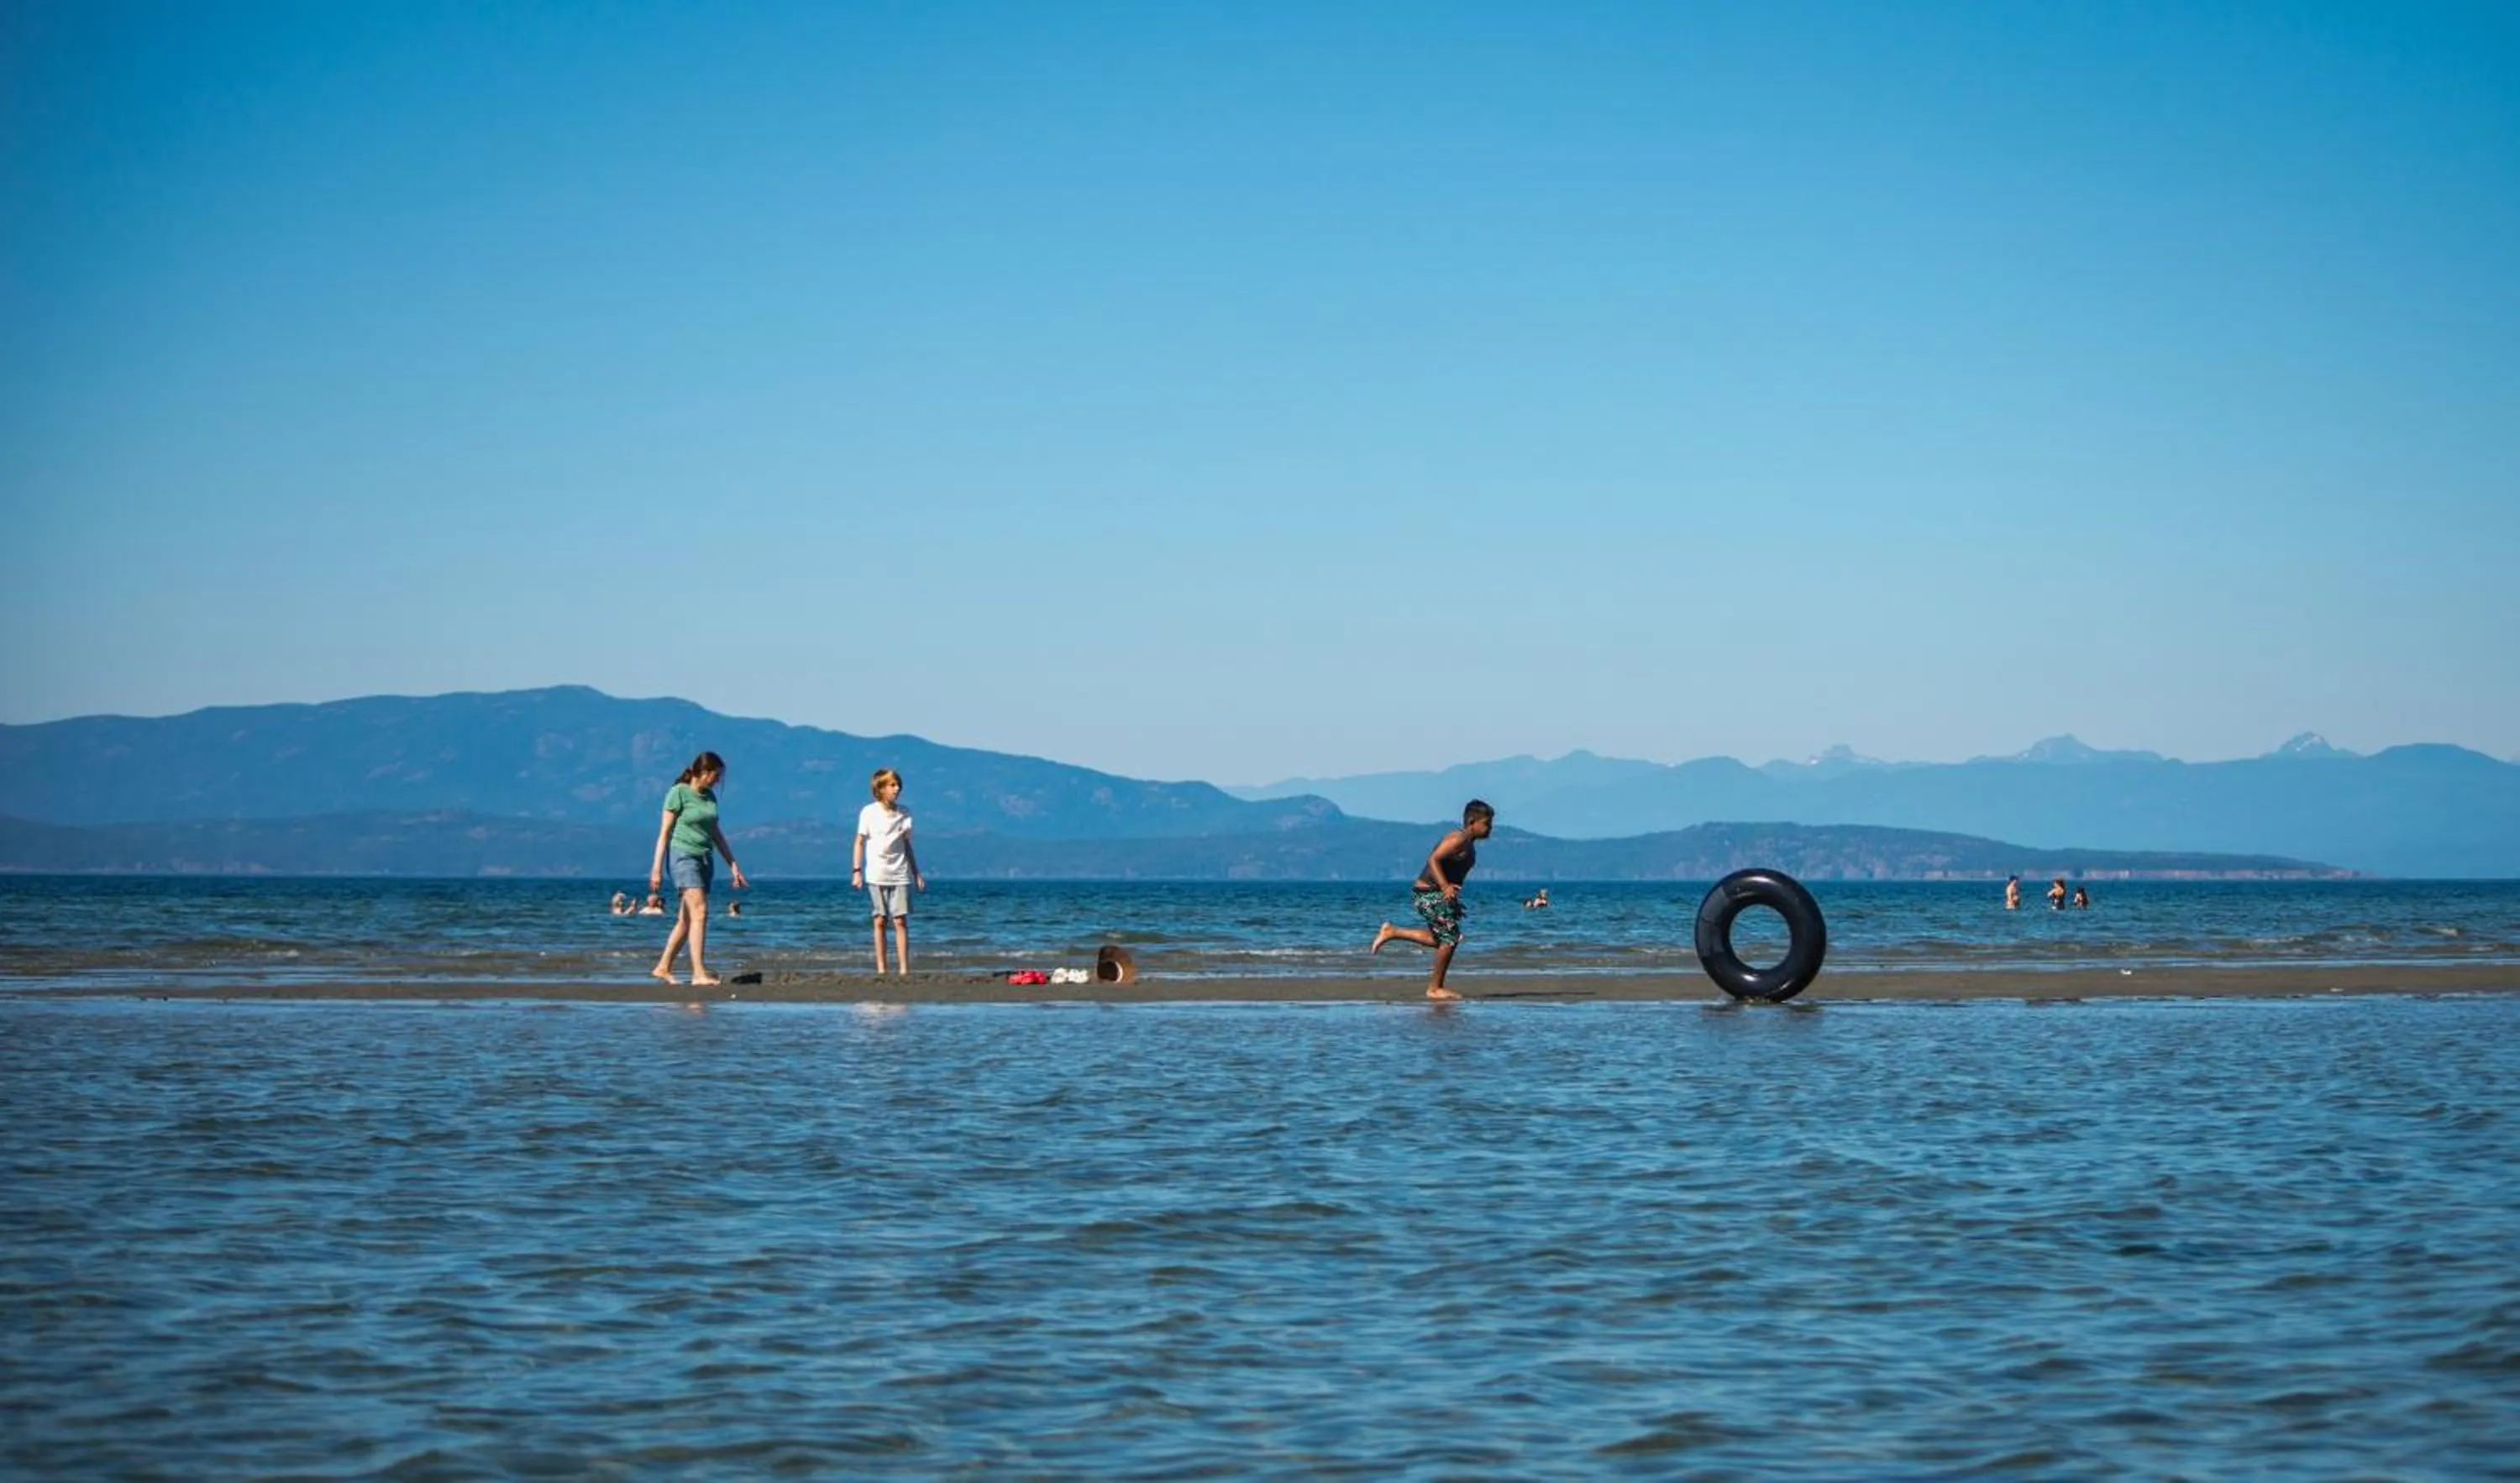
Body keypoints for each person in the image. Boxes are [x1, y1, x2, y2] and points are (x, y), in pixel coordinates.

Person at [1370, 799, 1497, 1001]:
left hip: (1436, 894)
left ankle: (1392, 931)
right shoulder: (1458, 839)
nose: (1491, 828)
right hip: (1426, 893)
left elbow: (1455, 880)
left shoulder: (1470, 847)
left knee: (1440, 939)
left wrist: (1452, 900)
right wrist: (1445, 887)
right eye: (1487, 823)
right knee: (1450, 938)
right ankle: (1435, 988)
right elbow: (1433, 859)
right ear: (1472, 821)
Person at [648, 751, 748, 986]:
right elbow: (664, 833)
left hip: (705, 859)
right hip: (683, 857)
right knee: (701, 911)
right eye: (716, 775)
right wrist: (656, 869)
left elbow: (716, 834)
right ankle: (699, 973)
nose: (718, 780)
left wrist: (733, 865)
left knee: (686, 919)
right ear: (704, 772)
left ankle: (663, 967)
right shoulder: (678, 793)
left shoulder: (710, 797)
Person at [853, 767, 925, 975]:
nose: (897, 788)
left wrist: (916, 872)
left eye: (898, 785)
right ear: (881, 788)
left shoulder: (905, 813)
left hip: (900, 872)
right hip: (876, 873)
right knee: (879, 920)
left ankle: (904, 969)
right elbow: (859, 841)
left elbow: (907, 845)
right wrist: (856, 870)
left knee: (900, 920)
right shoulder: (868, 812)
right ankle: (882, 969)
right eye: (892, 785)